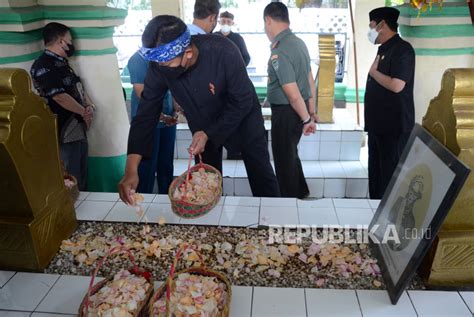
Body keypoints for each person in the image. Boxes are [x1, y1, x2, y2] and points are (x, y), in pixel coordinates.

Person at [118, 15, 280, 204]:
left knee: (261, 173)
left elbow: (242, 101)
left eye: (168, 64)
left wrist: (209, 132)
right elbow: (146, 114)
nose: (163, 69)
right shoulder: (161, 64)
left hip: (243, 120)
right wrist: (130, 170)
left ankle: (273, 218)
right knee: (204, 182)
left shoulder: (223, 51)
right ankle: (209, 224)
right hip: (202, 124)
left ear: (187, 52)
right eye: (160, 65)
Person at [30, 22, 94, 190]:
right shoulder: (43, 65)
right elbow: (59, 96)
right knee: (71, 176)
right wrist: (83, 112)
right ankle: (75, 213)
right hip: (64, 129)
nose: (71, 44)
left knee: (82, 171)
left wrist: (88, 107)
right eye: (69, 40)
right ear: (60, 41)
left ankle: (87, 211)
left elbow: (76, 87)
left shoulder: (63, 63)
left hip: (77, 126)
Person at [264, 2, 317, 199]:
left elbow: (291, 91)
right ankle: (301, 193)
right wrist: (310, 111)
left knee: (284, 161)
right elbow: (310, 79)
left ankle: (289, 204)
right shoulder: (298, 43)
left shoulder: (281, 50)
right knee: (291, 156)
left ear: (268, 20)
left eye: (265, 24)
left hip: (288, 112)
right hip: (297, 110)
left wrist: (306, 120)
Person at [365, 7, 415, 199]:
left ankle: (389, 222)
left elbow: (396, 85)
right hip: (378, 126)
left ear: (382, 24)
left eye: (371, 26)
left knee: (390, 178)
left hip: (393, 128)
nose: (369, 31)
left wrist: (374, 73)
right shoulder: (383, 49)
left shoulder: (403, 49)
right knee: (376, 176)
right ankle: (374, 212)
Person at [127, 51, 177, 194]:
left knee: (166, 164)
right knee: (147, 167)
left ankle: (168, 198)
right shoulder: (138, 60)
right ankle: (143, 201)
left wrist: (176, 108)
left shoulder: (164, 57)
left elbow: (171, 87)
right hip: (149, 123)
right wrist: (161, 116)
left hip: (167, 121)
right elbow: (141, 94)